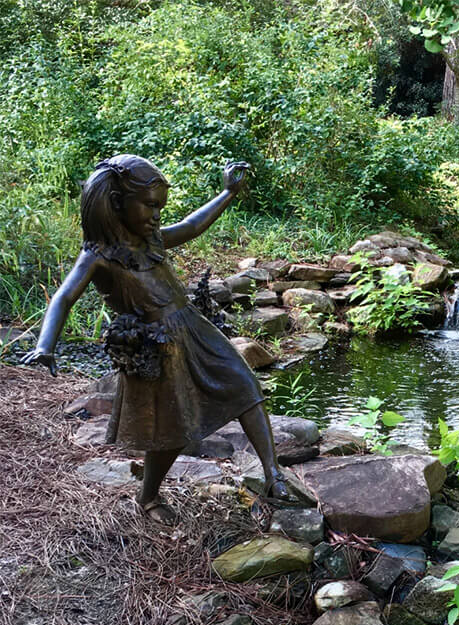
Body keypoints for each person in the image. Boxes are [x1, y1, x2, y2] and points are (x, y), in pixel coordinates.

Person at [23, 154, 289, 523]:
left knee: (245, 384)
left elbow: (192, 226)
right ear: (117, 203)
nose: (156, 215)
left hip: (193, 328)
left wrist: (228, 192)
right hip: (156, 347)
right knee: (171, 430)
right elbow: (64, 297)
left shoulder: (152, 241)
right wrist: (44, 345)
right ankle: (148, 496)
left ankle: (273, 474)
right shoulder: (98, 256)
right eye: (150, 205)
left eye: (160, 206)